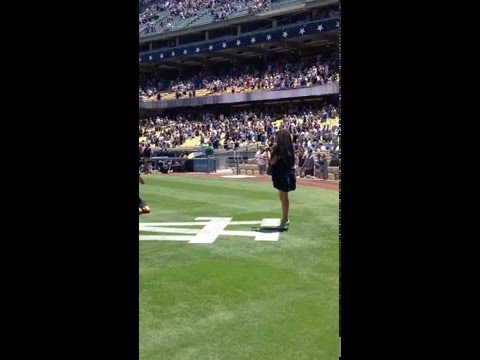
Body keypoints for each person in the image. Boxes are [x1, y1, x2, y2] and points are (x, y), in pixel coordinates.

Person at [266, 129, 296, 229]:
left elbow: (271, 162)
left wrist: (267, 152)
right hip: (287, 173)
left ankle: (284, 219)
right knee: (284, 197)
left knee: (283, 198)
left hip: (280, 174)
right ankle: (285, 218)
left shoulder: (278, 149)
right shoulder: (289, 149)